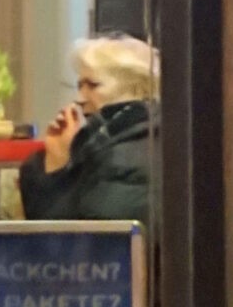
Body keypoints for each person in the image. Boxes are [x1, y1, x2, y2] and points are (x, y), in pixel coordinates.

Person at [19, 34, 157, 222]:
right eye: (80, 86)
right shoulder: (102, 144)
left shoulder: (133, 149)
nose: (80, 99)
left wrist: (62, 171)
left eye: (92, 85)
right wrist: (58, 161)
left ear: (137, 88)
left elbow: (82, 232)